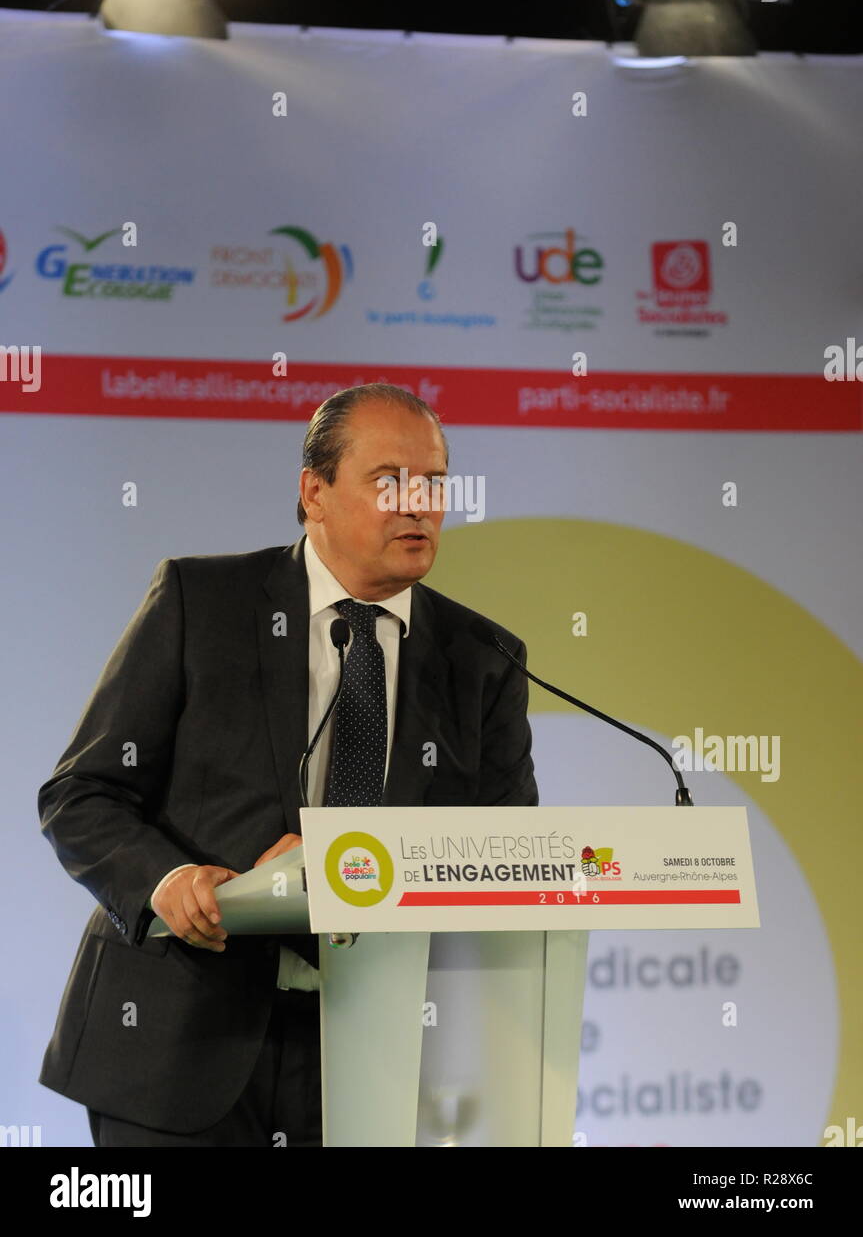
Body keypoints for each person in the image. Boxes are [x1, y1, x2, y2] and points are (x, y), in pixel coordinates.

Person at [37, 383, 538, 1147]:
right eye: (389, 481)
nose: (419, 504)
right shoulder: (202, 602)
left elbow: (502, 863)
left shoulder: (483, 660)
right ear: (315, 493)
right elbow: (83, 793)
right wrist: (171, 883)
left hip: (369, 1054)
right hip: (177, 1044)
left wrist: (359, 869)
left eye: (435, 483)